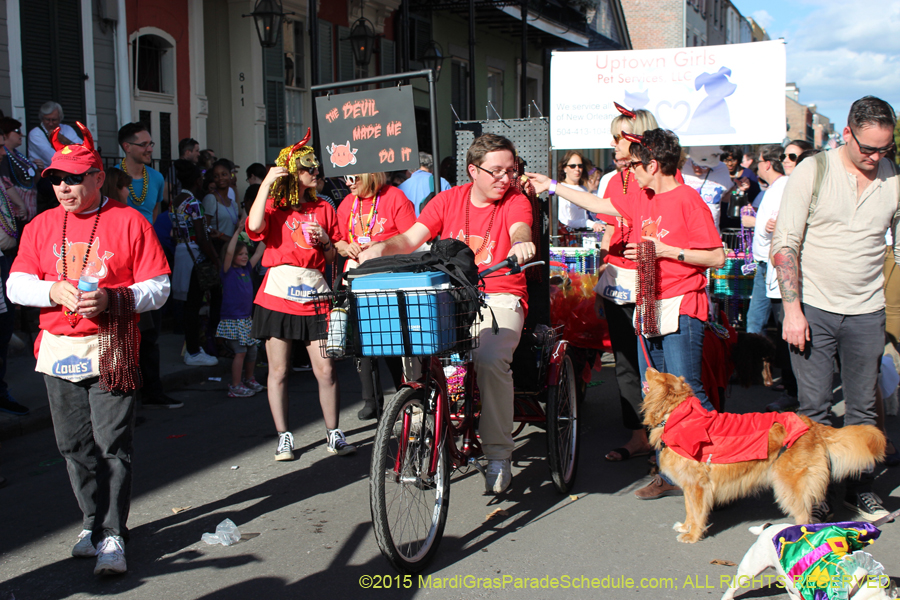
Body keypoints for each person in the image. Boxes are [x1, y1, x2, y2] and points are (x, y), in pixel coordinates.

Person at [7, 123, 170, 575]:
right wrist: (52, 291)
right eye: (57, 179)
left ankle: (114, 533)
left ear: (98, 177)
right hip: (58, 349)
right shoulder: (40, 225)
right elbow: (17, 284)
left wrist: (116, 298)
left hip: (112, 347)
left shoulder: (130, 220)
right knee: (72, 445)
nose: (64, 187)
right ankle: (90, 522)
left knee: (113, 444)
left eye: (74, 178)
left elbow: (159, 286)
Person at [527, 129, 725, 500]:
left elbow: (715, 256)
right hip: (649, 304)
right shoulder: (642, 198)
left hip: (681, 305)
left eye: (635, 164)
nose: (630, 171)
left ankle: (720, 469)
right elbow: (597, 204)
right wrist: (552, 185)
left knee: (689, 393)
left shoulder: (687, 200)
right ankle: (670, 472)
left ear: (653, 165)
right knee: (660, 393)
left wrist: (665, 250)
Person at [359, 133, 536, 494]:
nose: (506, 178)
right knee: (410, 341)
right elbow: (410, 239)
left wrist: (521, 242)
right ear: (474, 170)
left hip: (500, 293)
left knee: (488, 357)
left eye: (511, 170)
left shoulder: (516, 201)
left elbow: (520, 227)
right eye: (497, 171)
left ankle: (499, 454)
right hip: (452, 295)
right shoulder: (448, 199)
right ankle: (421, 418)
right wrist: (379, 249)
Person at [771, 96, 899, 523]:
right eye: (868, 148)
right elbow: (785, 243)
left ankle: (860, 489)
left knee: (863, 410)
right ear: (847, 134)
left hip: (867, 310)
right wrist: (792, 311)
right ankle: (818, 490)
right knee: (815, 410)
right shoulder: (814, 170)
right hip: (813, 308)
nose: (875, 157)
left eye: (885, 149)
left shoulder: (894, 177)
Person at [246, 129, 356, 461]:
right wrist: (266, 183)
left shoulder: (324, 206)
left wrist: (325, 240)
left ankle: (333, 432)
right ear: (294, 172)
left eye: (317, 169)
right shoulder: (276, 206)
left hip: (315, 294)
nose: (316, 173)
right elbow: (253, 228)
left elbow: (335, 255)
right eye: (309, 169)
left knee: (327, 369)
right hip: (277, 294)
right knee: (278, 371)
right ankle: (283, 436)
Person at [591, 104, 659, 463]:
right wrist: (604, 265)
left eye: (619, 139)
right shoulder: (613, 181)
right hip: (618, 280)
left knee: (655, 360)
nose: (615, 147)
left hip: (652, 279)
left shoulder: (657, 179)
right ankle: (638, 435)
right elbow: (608, 227)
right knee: (624, 360)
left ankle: (667, 436)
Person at [334, 171, 416, 420]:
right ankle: (371, 400)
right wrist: (345, 247)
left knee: (392, 340)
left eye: (353, 178)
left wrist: (381, 245)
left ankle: (405, 395)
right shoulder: (348, 202)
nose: (348, 183)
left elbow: (412, 239)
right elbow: (337, 240)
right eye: (346, 178)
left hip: (387, 277)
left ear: (370, 176)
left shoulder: (395, 197)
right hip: (357, 278)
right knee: (362, 342)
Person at [116, 122, 177, 409]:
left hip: (148, 259)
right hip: (120, 261)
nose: (150, 148)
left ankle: (153, 391)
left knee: (151, 332)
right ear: (127, 147)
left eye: (151, 143)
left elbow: (153, 213)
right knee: (125, 333)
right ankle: (126, 399)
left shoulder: (156, 177)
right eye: (144, 144)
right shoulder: (112, 178)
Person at [171, 161, 221, 367]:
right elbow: (201, 236)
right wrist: (215, 258)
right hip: (195, 256)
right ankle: (194, 349)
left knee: (188, 305)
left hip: (182, 253)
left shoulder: (177, 200)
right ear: (196, 180)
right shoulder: (193, 203)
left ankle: (193, 347)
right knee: (195, 303)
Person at [218, 221, 265, 397]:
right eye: (241, 254)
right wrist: (237, 231)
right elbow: (229, 252)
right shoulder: (228, 271)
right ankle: (235, 385)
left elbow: (259, 252)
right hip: (232, 319)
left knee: (252, 351)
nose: (245, 257)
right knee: (240, 352)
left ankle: (249, 378)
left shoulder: (247, 269)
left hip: (246, 319)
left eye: (246, 253)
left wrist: (270, 232)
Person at [0, 130, 28, 417]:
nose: (2, 153)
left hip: (4, 261)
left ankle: (1, 391)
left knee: (4, 327)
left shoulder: (2, 180)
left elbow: (18, 204)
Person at [743, 144, 785, 335]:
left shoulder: (782, 187)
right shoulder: (773, 188)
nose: (757, 167)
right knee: (755, 320)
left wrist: (754, 222)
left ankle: (764, 361)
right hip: (764, 264)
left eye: (759, 162)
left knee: (768, 321)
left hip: (773, 263)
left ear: (767, 164)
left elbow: (778, 223)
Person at [680, 146, 732, 230]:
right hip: (686, 230)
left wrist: (739, 189)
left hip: (711, 230)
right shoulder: (683, 166)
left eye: (703, 167)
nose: (697, 169)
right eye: (695, 164)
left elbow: (725, 197)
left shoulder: (721, 169)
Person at [1, 117, 40, 221]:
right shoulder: (3, 156)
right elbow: (6, 183)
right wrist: (21, 204)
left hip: (29, 210)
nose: (21, 134)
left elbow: (30, 182)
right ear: (5, 134)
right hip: (18, 213)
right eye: (17, 131)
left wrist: (39, 171)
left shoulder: (19, 155)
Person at [556, 150, 603, 236]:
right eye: (572, 166)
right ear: (564, 168)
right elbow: (563, 220)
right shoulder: (561, 189)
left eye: (580, 166)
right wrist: (588, 223)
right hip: (570, 238)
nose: (577, 169)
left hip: (585, 236)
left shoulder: (583, 188)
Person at [26, 101, 82, 169]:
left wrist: (64, 140)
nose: (50, 124)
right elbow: (54, 159)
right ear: (42, 119)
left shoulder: (68, 129)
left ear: (60, 118)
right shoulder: (35, 134)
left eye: (54, 120)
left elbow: (83, 152)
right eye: (47, 120)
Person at [203, 160, 243, 248]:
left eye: (224, 174)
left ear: (230, 175)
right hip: (217, 248)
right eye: (216, 176)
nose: (220, 178)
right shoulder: (211, 199)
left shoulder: (233, 204)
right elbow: (204, 229)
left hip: (230, 249)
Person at [397, 151, 451, 216]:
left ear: (409, 170)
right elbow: (450, 209)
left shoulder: (400, 188)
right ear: (432, 169)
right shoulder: (441, 182)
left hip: (411, 225)